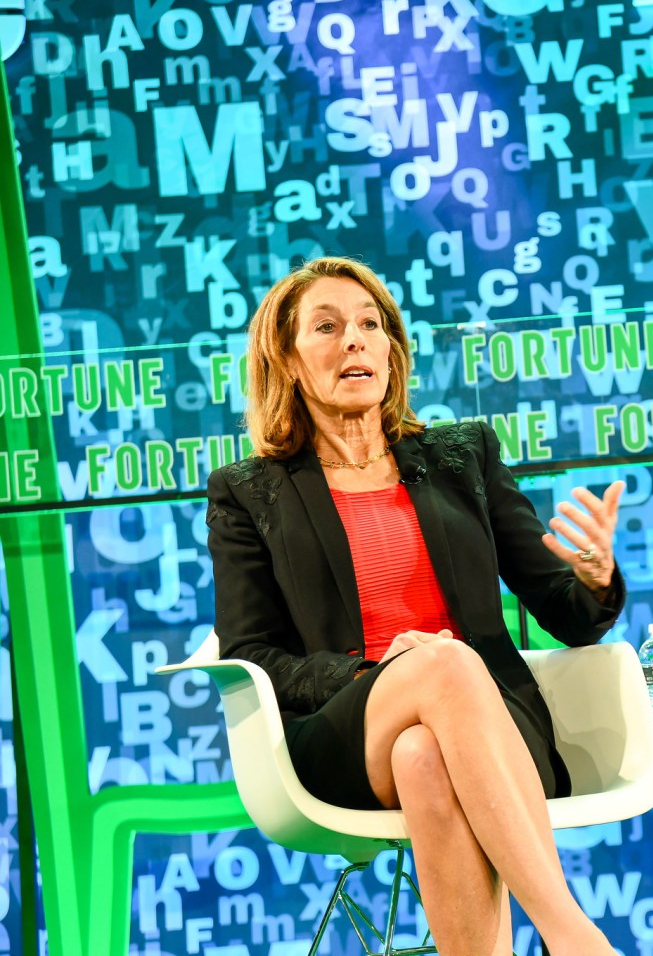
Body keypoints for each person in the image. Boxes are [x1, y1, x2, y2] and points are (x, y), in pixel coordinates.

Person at [206, 256, 624, 956]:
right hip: (342, 733)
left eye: (371, 325)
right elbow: (251, 654)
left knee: (424, 753)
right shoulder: (251, 492)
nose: (355, 341)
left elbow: (568, 615)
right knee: (443, 669)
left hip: (496, 732)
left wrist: (593, 576)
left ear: (394, 350)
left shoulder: (463, 456)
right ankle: (572, 935)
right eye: (328, 327)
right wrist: (376, 674)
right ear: (285, 355)